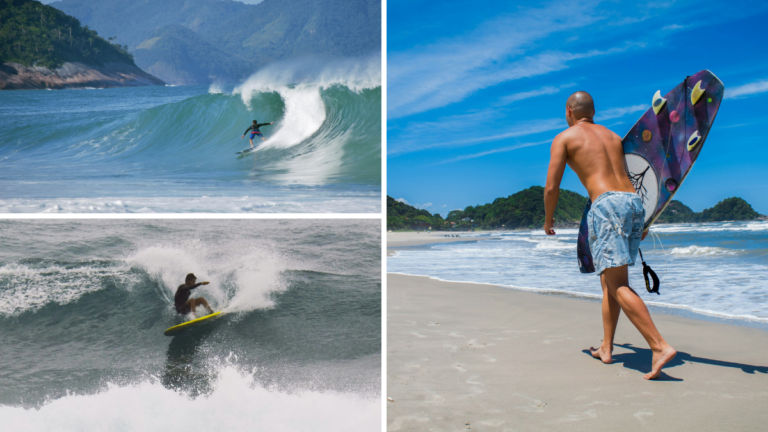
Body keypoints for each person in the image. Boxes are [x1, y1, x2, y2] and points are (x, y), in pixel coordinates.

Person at [543, 91, 676, 380]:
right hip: (633, 204)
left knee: (617, 286)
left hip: (606, 206)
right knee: (609, 281)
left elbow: (552, 187)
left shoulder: (565, 138)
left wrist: (548, 219)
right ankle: (606, 347)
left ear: (569, 111)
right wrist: (644, 220)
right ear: (593, 110)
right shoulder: (614, 137)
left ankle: (659, 346)